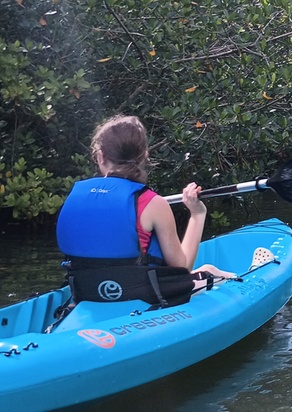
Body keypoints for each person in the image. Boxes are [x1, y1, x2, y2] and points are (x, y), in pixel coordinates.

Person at [56, 115, 235, 307]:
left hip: (86, 293)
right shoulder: (153, 203)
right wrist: (197, 214)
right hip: (146, 295)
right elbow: (182, 268)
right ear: (144, 156)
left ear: (100, 156)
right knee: (210, 271)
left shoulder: (75, 196)